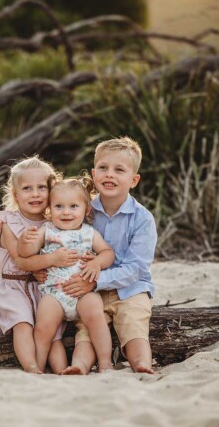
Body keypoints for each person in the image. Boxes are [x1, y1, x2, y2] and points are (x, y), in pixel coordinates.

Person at [60, 137, 158, 375]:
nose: (109, 175)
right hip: (92, 290)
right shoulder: (83, 211)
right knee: (86, 326)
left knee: (133, 321)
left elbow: (136, 268)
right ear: (94, 174)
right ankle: (80, 365)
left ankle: (141, 364)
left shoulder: (142, 219)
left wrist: (96, 280)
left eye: (119, 170)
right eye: (103, 168)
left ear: (133, 180)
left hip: (131, 288)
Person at [17, 174, 115, 373]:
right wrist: (24, 241)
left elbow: (108, 253)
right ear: (49, 209)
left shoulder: (89, 233)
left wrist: (97, 262)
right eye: (59, 207)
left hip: (84, 293)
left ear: (86, 210)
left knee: (96, 317)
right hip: (54, 293)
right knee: (43, 326)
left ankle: (105, 363)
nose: (66, 212)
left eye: (73, 207)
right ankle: (38, 365)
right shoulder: (47, 230)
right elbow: (25, 253)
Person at [0, 156, 80, 374]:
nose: (35, 194)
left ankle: (62, 370)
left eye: (42, 187)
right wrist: (51, 260)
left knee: (53, 333)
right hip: (15, 288)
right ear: (15, 195)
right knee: (23, 324)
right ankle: (32, 367)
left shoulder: (55, 221)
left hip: (44, 288)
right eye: (27, 188)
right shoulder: (9, 223)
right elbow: (20, 260)